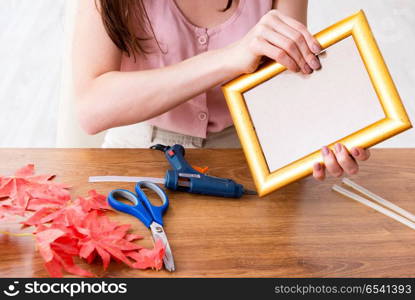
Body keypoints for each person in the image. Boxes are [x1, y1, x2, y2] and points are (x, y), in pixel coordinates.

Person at [73, 0, 370, 181]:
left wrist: (323, 137)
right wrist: (228, 59)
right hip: (137, 152)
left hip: (250, 153)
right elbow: (91, 108)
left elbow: (288, 80)